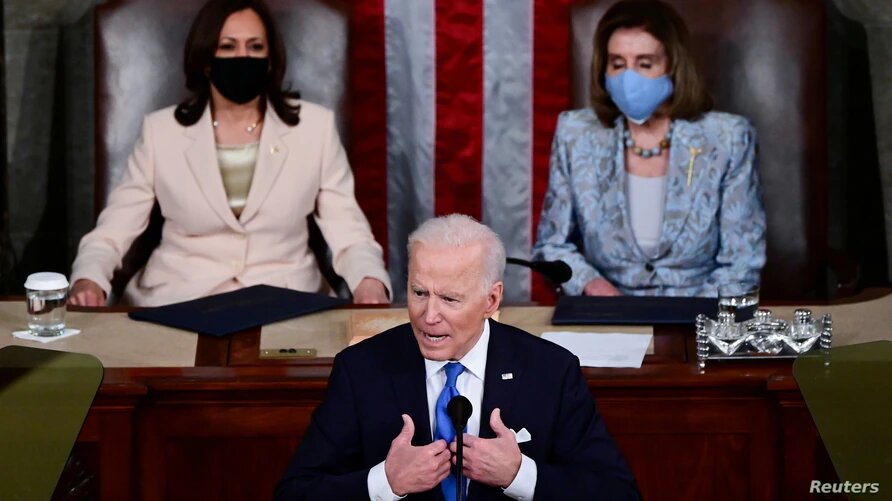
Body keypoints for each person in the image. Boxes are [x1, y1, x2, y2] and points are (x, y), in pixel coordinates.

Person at [275, 214, 639, 500]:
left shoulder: (549, 372)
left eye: (449, 299)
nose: (428, 315)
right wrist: (384, 482)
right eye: (419, 292)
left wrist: (520, 476)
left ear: (491, 301)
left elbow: (618, 493)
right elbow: (295, 492)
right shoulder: (361, 370)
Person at [68, 0, 390, 307]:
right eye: (227, 46)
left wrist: (369, 281)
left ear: (270, 58)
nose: (242, 57)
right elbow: (112, 233)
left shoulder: (315, 128)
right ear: (206, 60)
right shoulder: (160, 132)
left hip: (287, 301)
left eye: (255, 47)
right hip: (179, 300)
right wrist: (89, 280)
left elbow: (350, 234)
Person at [533, 0, 766, 297]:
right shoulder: (575, 133)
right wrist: (592, 286)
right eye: (617, 64)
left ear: (674, 66)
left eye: (645, 63)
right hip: (607, 318)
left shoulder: (728, 138)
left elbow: (742, 262)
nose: (629, 78)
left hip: (698, 320)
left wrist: (690, 321)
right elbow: (552, 247)